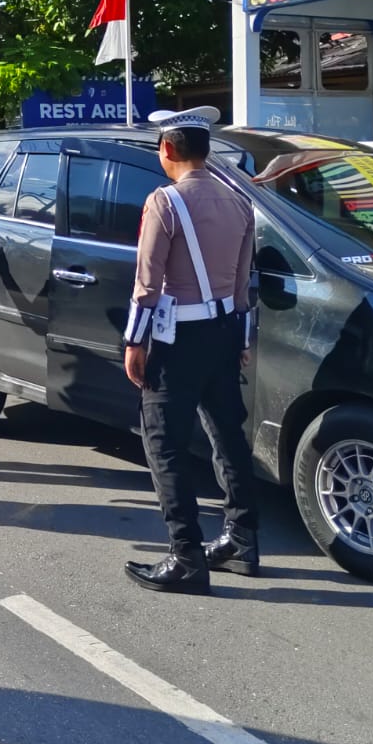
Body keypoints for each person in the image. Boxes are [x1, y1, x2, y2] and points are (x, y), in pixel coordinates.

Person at [122, 107, 260, 595]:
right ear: (205, 149)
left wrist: (134, 341)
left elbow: (147, 282)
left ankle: (186, 555)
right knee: (228, 436)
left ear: (167, 148)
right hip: (224, 331)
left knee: (163, 443)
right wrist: (242, 342)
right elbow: (244, 284)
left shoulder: (164, 201)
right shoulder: (239, 202)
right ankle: (241, 538)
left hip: (177, 338)